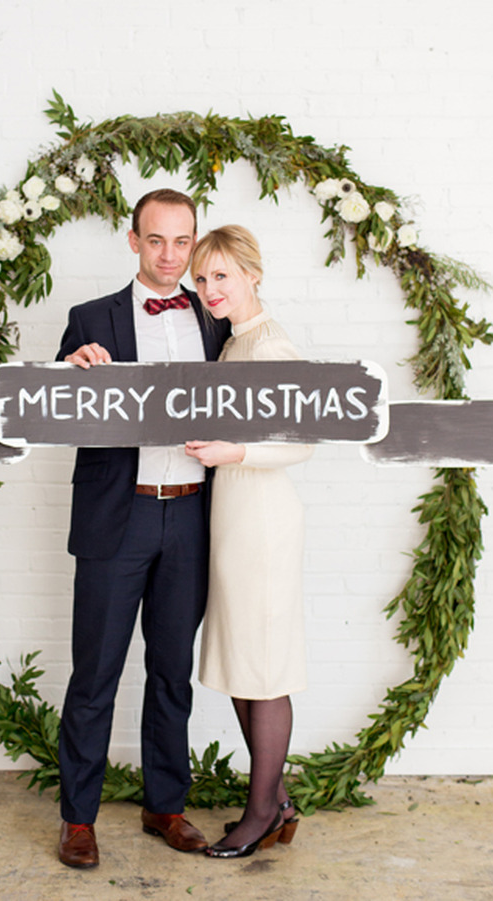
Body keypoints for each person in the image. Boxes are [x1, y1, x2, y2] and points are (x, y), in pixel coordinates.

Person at [55, 189, 230, 869]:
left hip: (189, 515)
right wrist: (72, 373)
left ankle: (166, 805)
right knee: (95, 673)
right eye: (156, 240)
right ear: (134, 241)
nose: (169, 255)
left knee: (171, 672)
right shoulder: (89, 318)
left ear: (194, 244)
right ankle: (78, 818)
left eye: (182, 241)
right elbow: (54, 408)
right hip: (116, 516)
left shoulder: (214, 320)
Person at [185, 225, 313, 858]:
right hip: (234, 517)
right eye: (202, 278)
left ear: (252, 274)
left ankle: (261, 811)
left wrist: (233, 452)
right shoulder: (234, 343)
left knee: (263, 667)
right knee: (245, 660)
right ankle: (279, 801)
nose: (210, 289)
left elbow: (304, 441)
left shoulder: (270, 345)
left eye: (222, 276)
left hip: (261, 520)